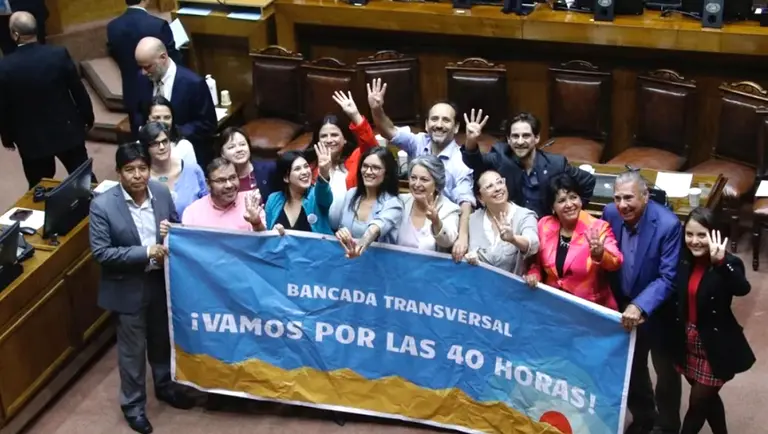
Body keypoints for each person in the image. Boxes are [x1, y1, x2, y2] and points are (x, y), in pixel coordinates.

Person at [89, 142, 194, 434]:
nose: (137, 175)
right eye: (130, 170)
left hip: (161, 282)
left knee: (162, 340)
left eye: (142, 169)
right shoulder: (102, 206)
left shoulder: (160, 192)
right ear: (119, 173)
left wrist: (172, 230)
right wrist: (146, 251)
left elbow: (175, 226)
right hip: (127, 287)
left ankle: (165, 386)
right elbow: (101, 253)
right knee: (132, 352)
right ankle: (133, 406)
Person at [601, 170, 682, 434]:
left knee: (665, 372)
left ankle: (668, 425)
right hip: (622, 308)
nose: (622, 205)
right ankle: (644, 417)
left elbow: (668, 277)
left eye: (628, 198)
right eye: (617, 198)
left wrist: (640, 304)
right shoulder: (609, 214)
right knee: (633, 369)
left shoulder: (669, 225)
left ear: (645, 197)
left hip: (658, 311)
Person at [662, 207, 754, 434]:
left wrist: (721, 263)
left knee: (697, 405)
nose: (694, 241)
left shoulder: (727, 263)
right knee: (708, 400)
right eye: (689, 234)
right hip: (687, 339)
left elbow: (742, 288)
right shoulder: (683, 259)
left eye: (701, 235)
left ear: (715, 234)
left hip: (714, 343)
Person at [368, 78, 475, 263]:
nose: (439, 124)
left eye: (446, 120)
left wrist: (463, 236)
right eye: (434, 119)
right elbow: (388, 130)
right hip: (412, 212)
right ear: (426, 124)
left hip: (441, 226)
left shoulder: (460, 161)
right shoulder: (418, 141)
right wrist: (377, 109)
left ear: (456, 127)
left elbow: (466, 202)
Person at [0, 12, 95, 189]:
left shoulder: (4, 67)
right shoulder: (58, 54)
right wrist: (87, 117)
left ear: (15, 34)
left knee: (39, 188)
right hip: (67, 130)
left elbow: (4, 108)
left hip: (31, 139)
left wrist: (7, 137)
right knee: (86, 180)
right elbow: (77, 89)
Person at [461, 110, 595, 220]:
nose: (520, 141)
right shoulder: (500, 157)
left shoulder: (556, 164)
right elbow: (473, 161)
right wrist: (471, 140)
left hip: (545, 230)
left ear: (536, 138)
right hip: (510, 229)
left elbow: (588, 181)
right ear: (508, 139)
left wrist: (569, 211)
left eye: (525, 136)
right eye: (515, 136)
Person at [525, 174, 621, 310]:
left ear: (581, 200)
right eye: (562, 200)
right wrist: (534, 273)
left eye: (573, 197)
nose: (569, 204)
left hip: (589, 309)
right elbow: (536, 262)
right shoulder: (544, 224)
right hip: (552, 305)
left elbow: (616, 261)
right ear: (553, 207)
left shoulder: (598, 227)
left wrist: (600, 254)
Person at [131, 36, 216, 167]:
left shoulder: (193, 84)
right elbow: (137, 112)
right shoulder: (141, 79)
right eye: (141, 67)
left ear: (163, 58)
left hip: (185, 154)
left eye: (148, 67)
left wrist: (173, 133)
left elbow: (208, 124)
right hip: (151, 155)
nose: (143, 72)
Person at [332, 147, 403, 258]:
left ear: (387, 173)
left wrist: (360, 246)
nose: (368, 172)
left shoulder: (393, 203)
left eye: (375, 168)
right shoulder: (351, 194)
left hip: (378, 267)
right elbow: (335, 225)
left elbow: (376, 228)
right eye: (365, 166)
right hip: (347, 264)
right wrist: (340, 233)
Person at [107, 0, 179, 110]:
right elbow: (173, 58)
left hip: (132, 91)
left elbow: (114, 54)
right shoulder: (158, 25)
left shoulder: (112, 27)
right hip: (160, 89)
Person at [308, 90, 378, 203]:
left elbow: (374, 151)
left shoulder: (356, 159)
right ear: (318, 140)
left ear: (345, 139)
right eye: (324, 136)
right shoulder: (308, 168)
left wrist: (355, 115)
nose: (329, 140)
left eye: (334, 135)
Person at [465, 170, 539, 275]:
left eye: (500, 182)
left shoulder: (524, 216)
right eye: (489, 186)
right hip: (480, 286)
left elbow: (533, 244)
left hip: (513, 289)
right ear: (480, 198)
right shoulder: (472, 220)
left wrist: (513, 239)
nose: (497, 188)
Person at [138, 122, 207, 218]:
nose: (162, 147)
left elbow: (208, 204)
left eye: (165, 141)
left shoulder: (193, 170)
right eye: (155, 144)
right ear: (146, 148)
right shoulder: (142, 178)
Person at [264, 144, 334, 235]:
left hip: (316, 248)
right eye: (297, 169)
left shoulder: (316, 195)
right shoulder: (273, 200)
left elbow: (325, 196)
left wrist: (324, 173)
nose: (305, 172)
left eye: (306, 166)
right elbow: (268, 236)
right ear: (286, 177)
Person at [181, 158, 266, 232]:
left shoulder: (250, 204)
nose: (229, 185)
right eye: (221, 180)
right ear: (208, 184)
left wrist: (256, 223)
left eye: (233, 178)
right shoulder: (192, 213)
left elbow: (263, 245)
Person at [398, 155, 460, 253]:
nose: (417, 184)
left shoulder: (450, 209)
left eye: (424, 179)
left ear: (437, 183)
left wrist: (436, 221)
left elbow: (448, 241)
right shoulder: (400, 202)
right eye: (413, 178)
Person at [217, 126, 277, 200]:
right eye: (231, 147)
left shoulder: (270, 169)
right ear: (222, 154)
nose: (239, 150)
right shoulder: (219, 181)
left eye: (242, 144)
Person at [146, 95, 197, 165]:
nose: (162, 122)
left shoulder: (184, 147)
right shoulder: (139, 146)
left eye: (167, 117)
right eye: (156, 118)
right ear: (147, 121)